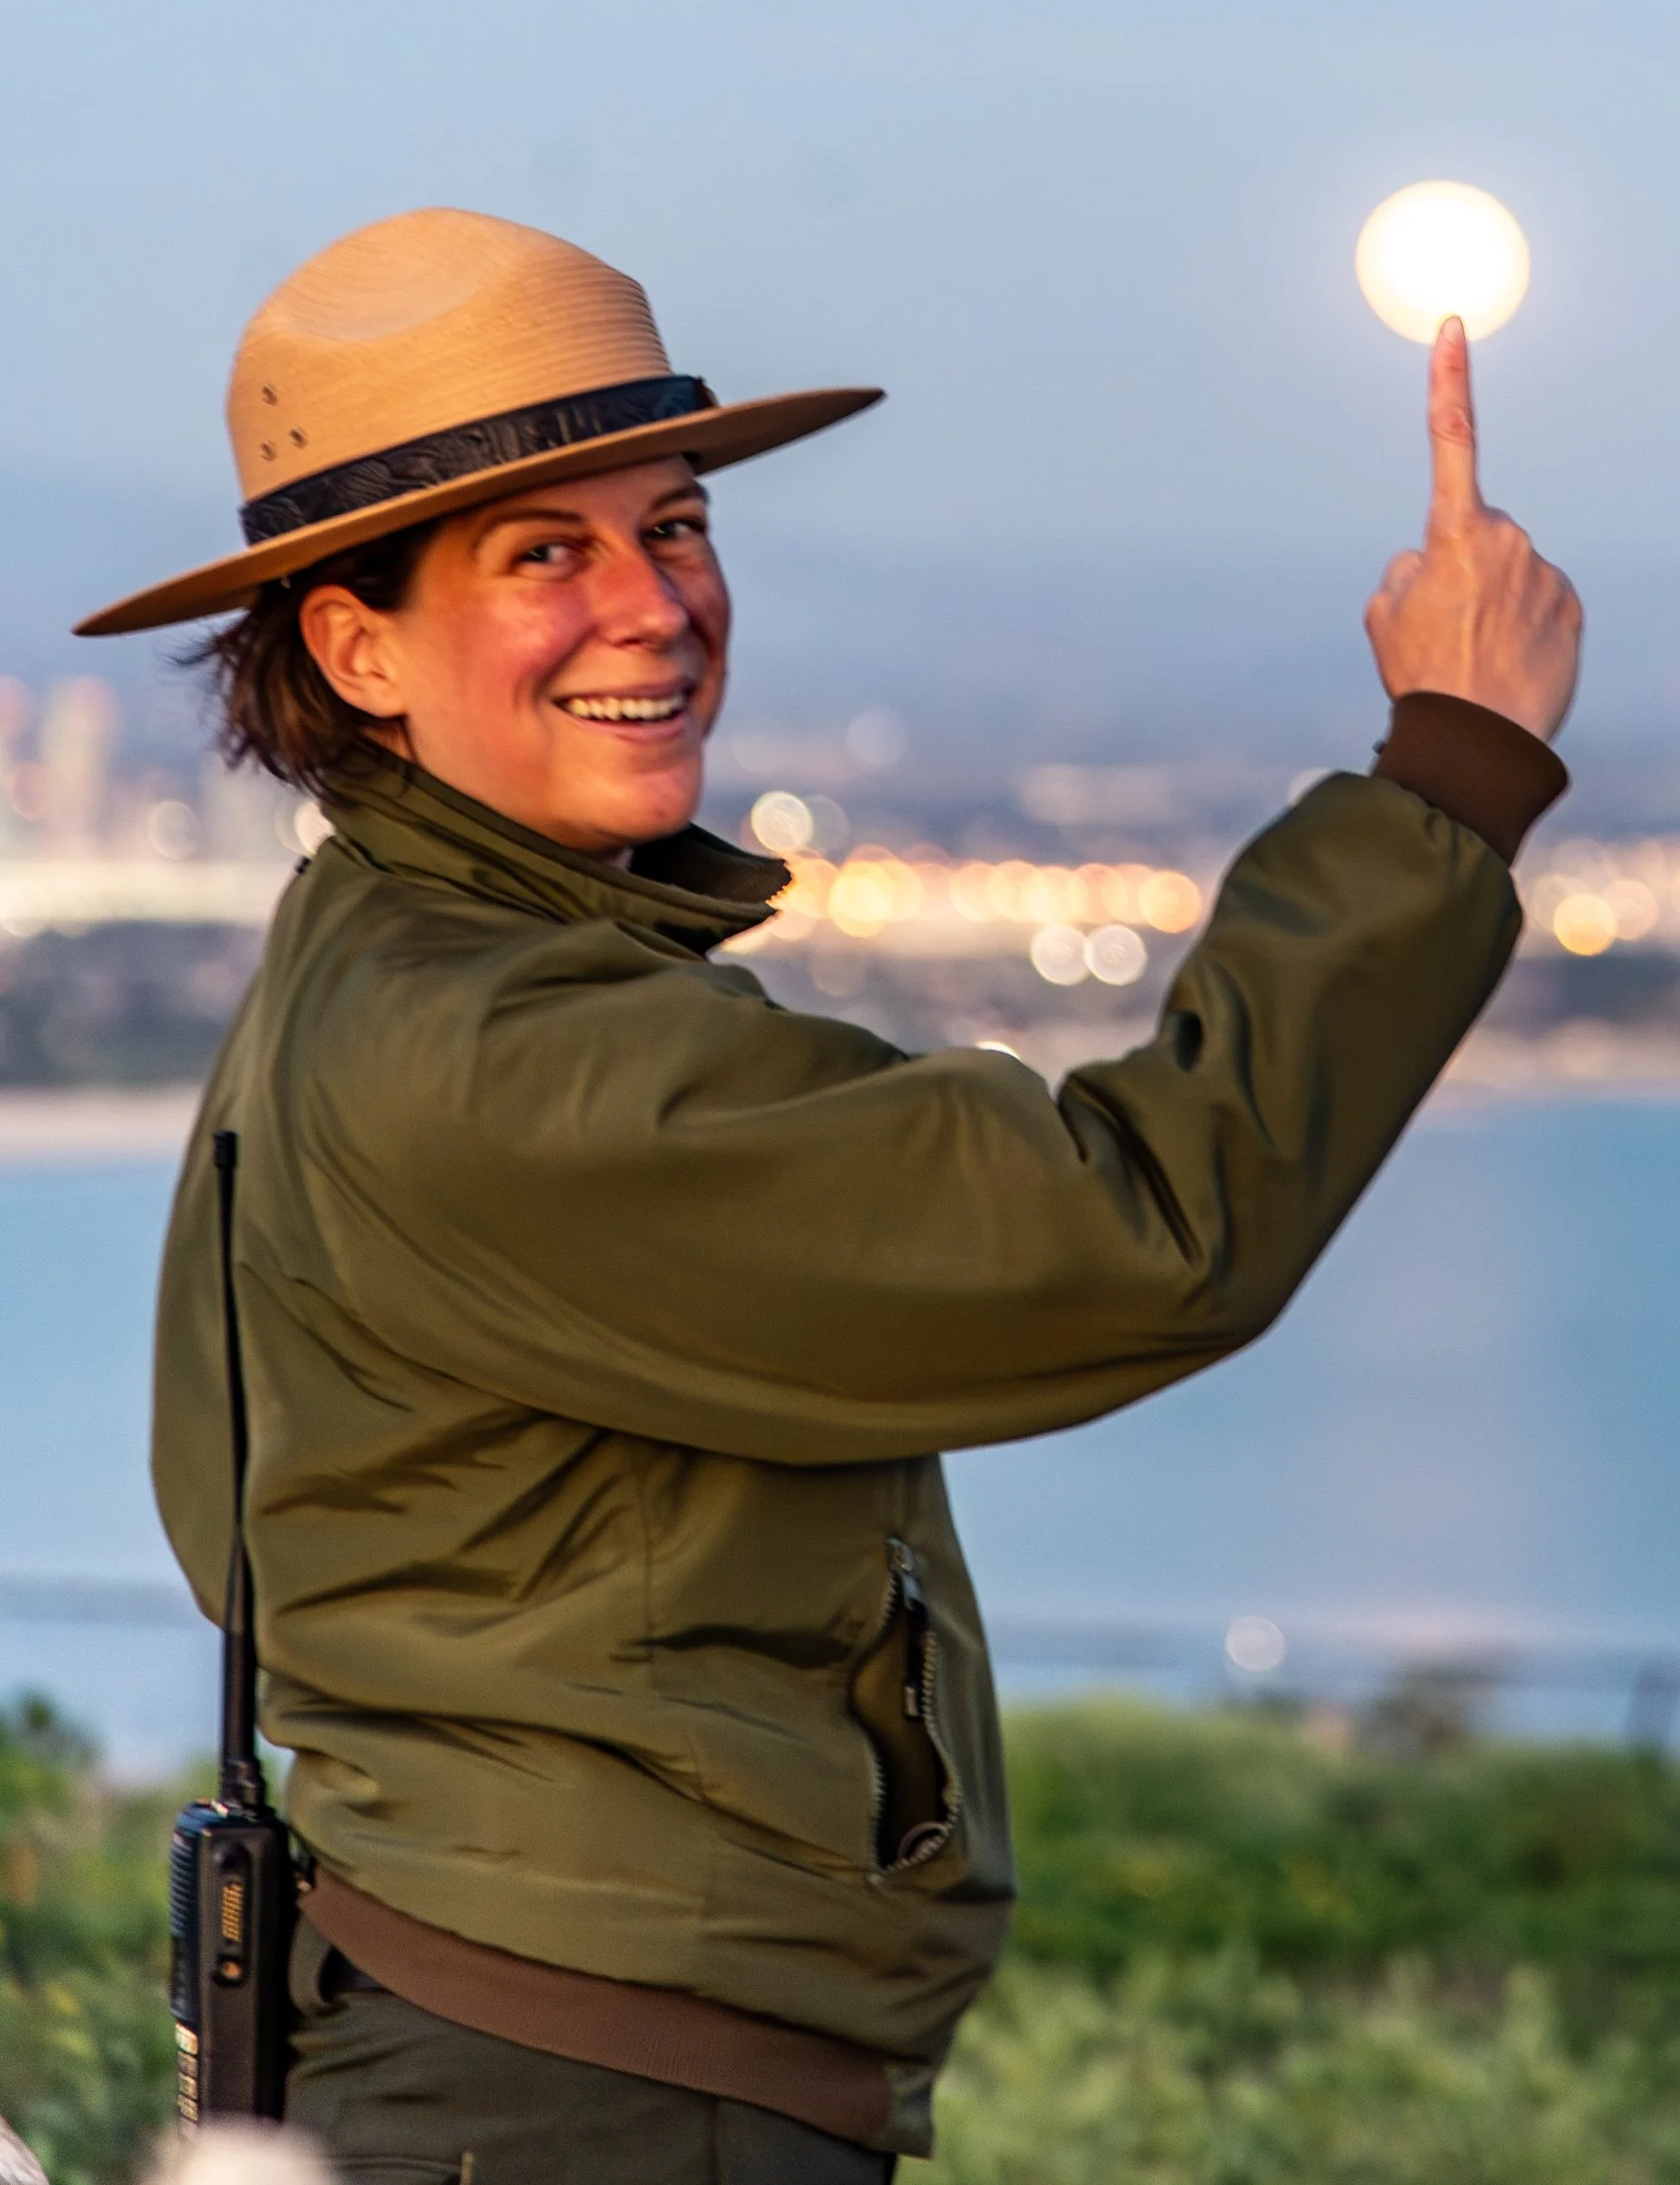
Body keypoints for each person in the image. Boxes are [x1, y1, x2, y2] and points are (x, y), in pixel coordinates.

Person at [86, 206, 1581, 2180]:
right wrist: (1453, 771)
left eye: (675, 526)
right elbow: (1132, 1230)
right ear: (357, 649)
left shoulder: (398, 955)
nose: (652, 604)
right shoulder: (499, 1050)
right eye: (544, 554)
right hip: (595, 2107)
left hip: (532, 2054)